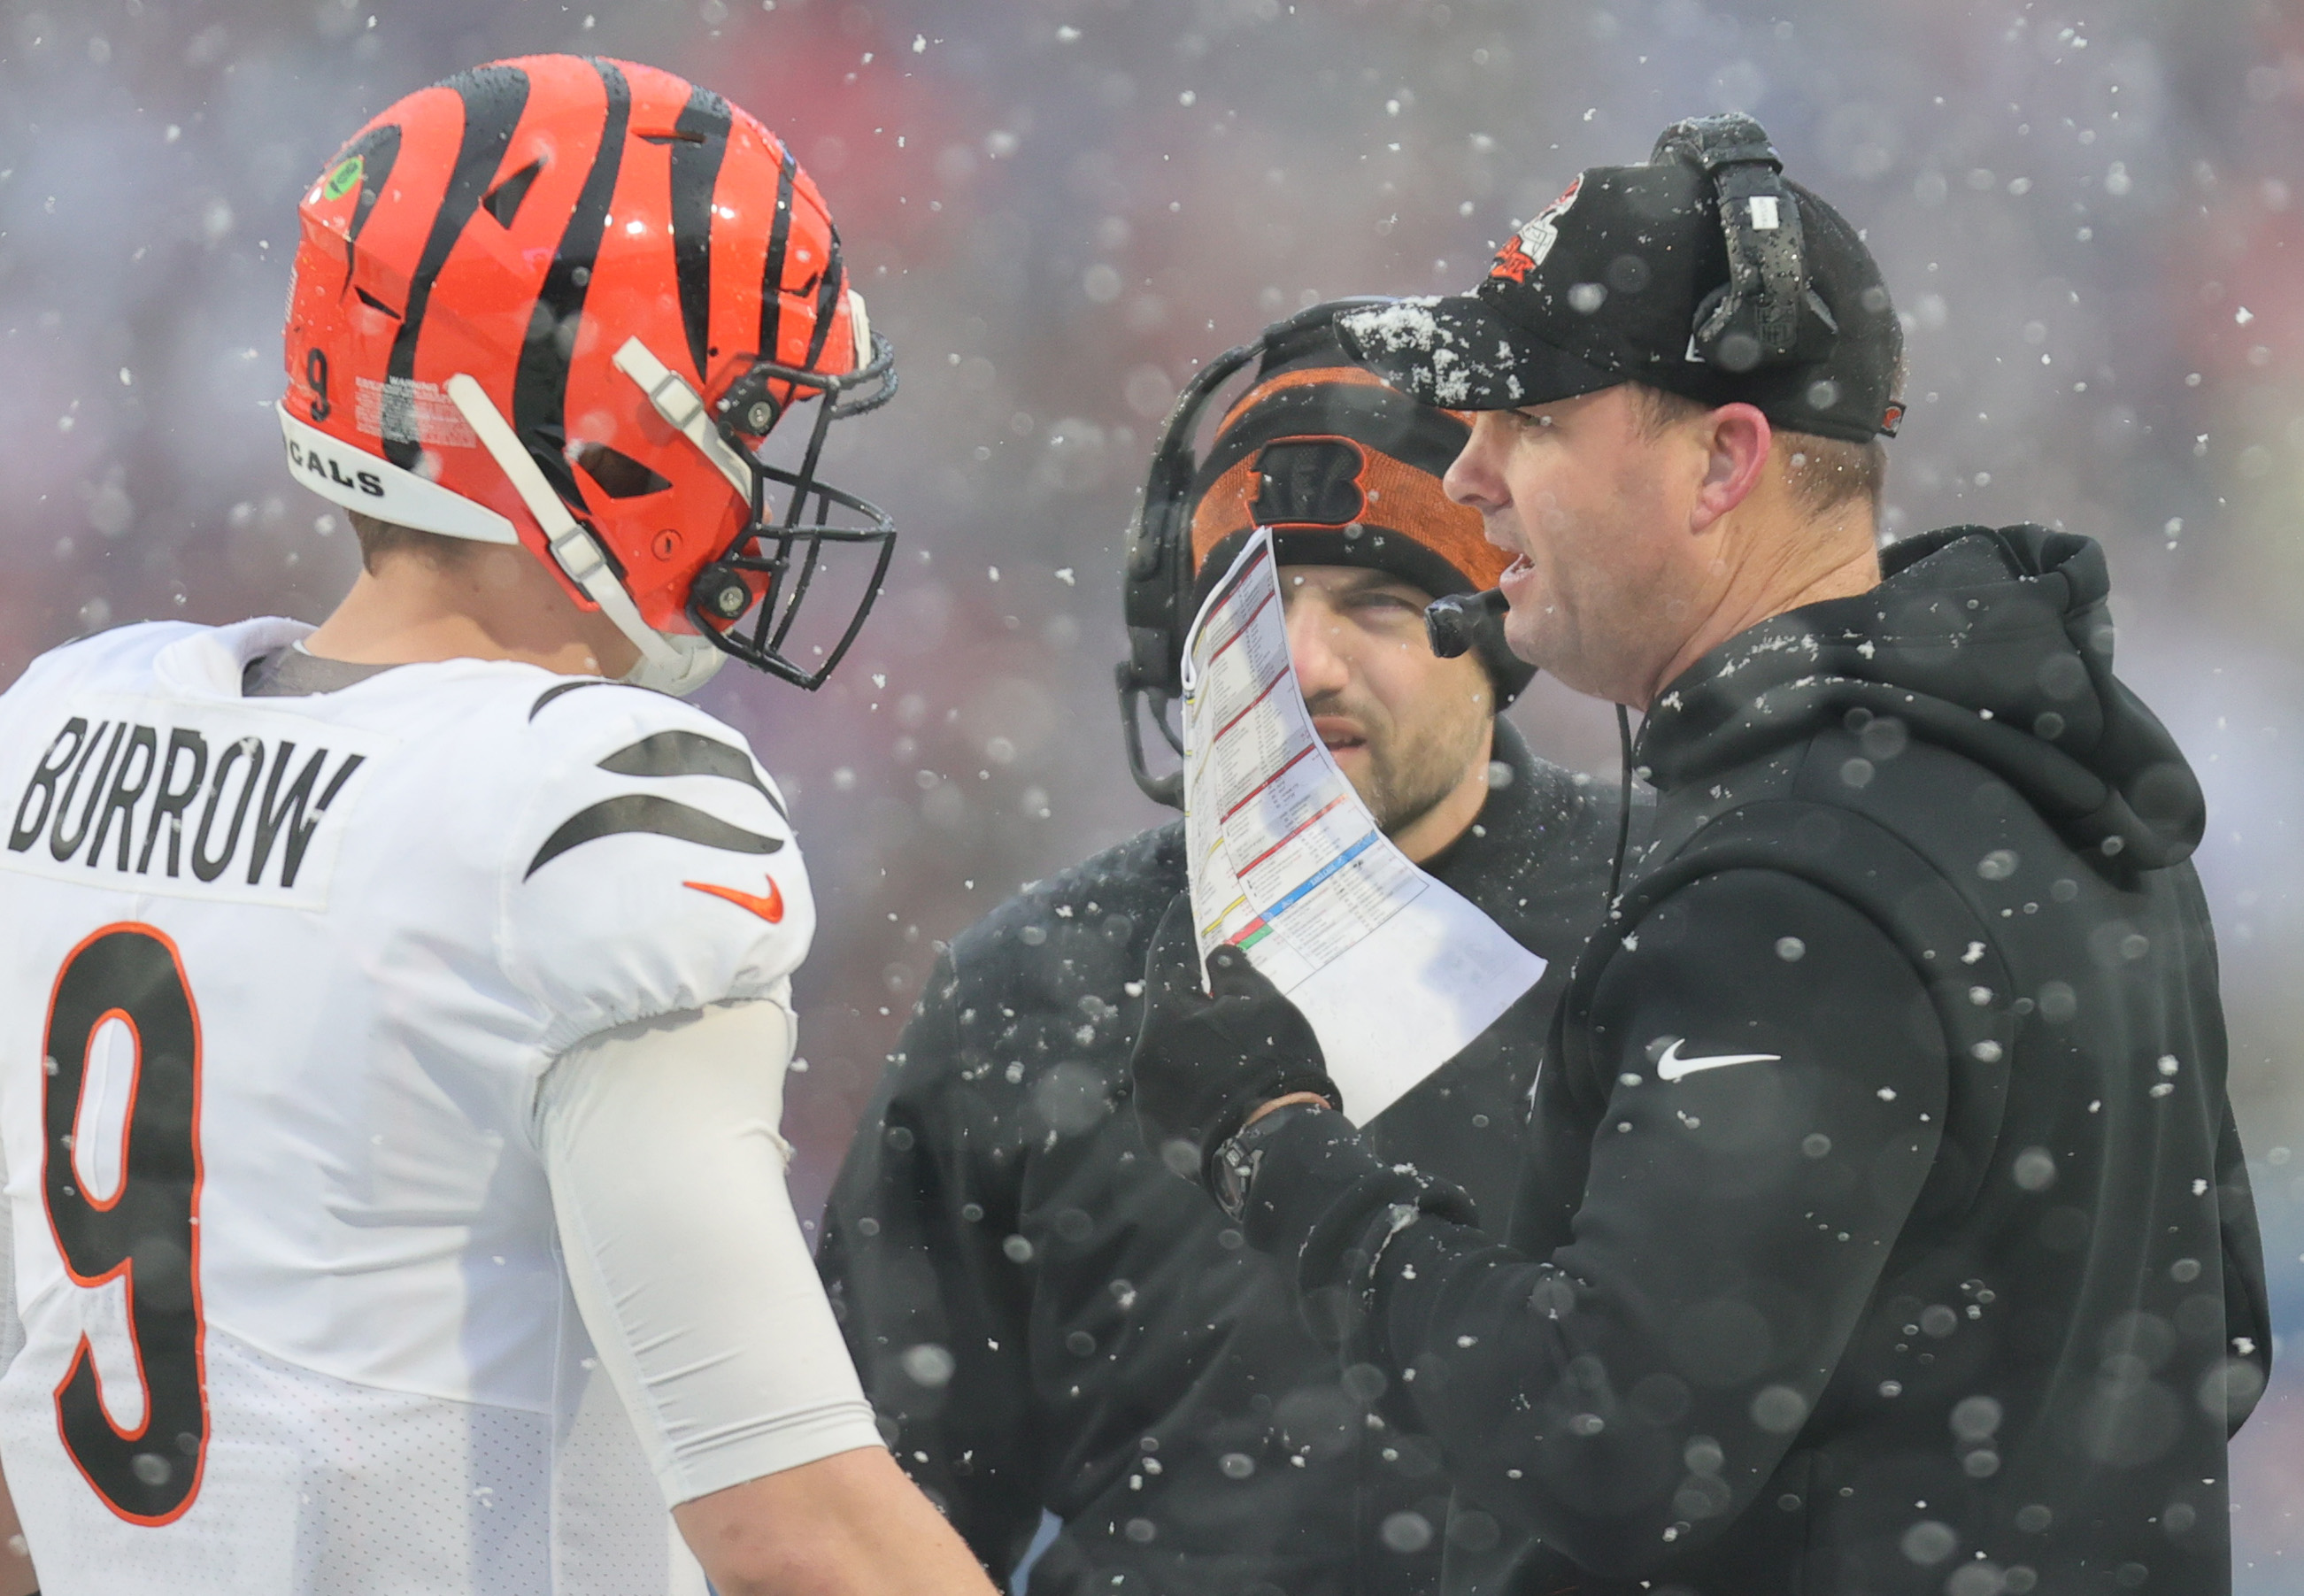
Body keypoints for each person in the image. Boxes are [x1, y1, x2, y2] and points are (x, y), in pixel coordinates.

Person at [1129, 114, 2271, 1596]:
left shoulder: (1790, 886)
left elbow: (1610, 1445)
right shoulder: (2051, 779)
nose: (1469, 476)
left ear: (1725, 460)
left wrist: (1275, 1145)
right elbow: (2215, 1339)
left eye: (1527, 422)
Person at [0, 57, 993, 1596]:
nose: (769, 472)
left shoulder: (62, 734)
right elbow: (790, 1524)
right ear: (601, 429)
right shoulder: (588, 804)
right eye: (745, 412)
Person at [816, 306, 1632, 1596]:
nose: (1301, 663)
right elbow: (867, 1518)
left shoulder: (1675, 937)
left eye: (1375, 601)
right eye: (1251, 605)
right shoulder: (1032, 990)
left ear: (1501, 627)